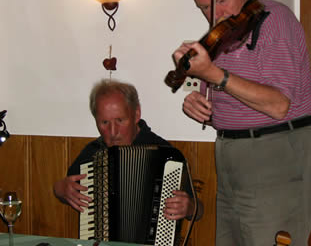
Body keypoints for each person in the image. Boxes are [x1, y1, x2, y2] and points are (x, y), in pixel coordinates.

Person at [172, 0, 311, 246]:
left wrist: (214, 73)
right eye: (204, 6)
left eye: (221, 0)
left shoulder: (273, 19)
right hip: (231, 155)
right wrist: (198, 106)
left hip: (277, 151)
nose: (214, 14)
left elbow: (279, 105)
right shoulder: (220, 38)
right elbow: (227, 104)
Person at [53, 79, 202, 222]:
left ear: (136, 114)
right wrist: (59, 189)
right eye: (104, 122)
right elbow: (70, 191)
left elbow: (198, 210)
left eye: (120, 120)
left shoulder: (165, 154)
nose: (113, 132)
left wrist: (190, 208)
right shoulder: (93, 153)